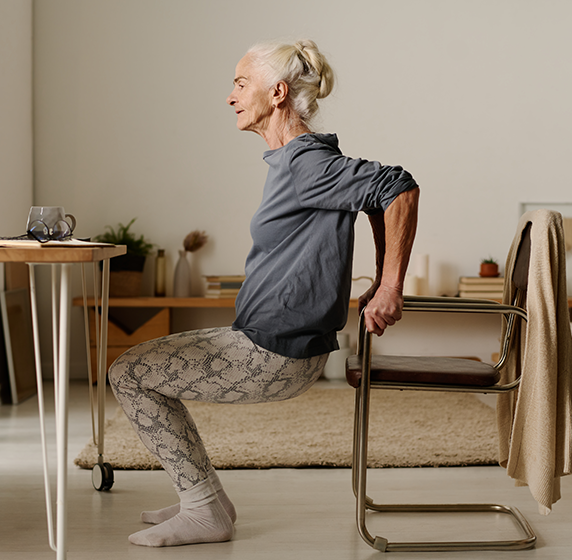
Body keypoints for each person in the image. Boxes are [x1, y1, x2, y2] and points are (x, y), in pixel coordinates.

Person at [108, 39, 420, 548]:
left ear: (277, 93)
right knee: (142, 366)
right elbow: (380, 195)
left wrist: (389, 287)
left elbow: (399, 188)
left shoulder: (304, 162)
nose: (230, 96)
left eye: (239, 83)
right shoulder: (294, 161)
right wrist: (384, 277)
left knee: (129, 373)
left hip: (273, 353)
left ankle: (205, 509)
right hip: (265, 340)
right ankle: (207, 498)